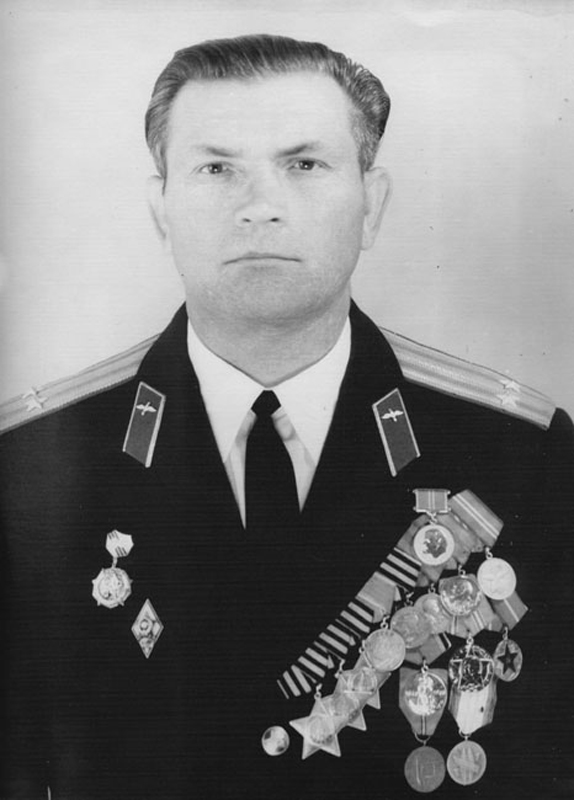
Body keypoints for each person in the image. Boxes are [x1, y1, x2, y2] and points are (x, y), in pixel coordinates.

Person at [1, 33, 573, 800]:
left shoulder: (525, 457)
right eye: (217, 168)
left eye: (304, 165)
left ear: (371, 205)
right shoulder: (29, 463)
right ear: (160, 209)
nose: (261, 208)